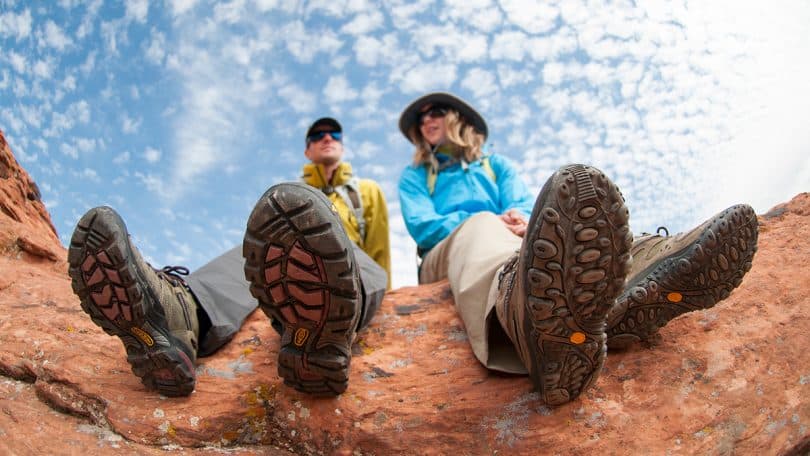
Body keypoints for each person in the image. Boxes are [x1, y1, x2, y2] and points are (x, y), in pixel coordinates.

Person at [397, 92, 758, 406]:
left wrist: (522, 220)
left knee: (557, 232)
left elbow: (521, 202)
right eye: (422, 116)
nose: (427, 119)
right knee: (482, 228)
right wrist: (489, 219)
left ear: (457, 119)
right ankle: (522, 313)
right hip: (448, 251)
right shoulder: (417, 175)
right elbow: (423, 225)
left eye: (436, 111)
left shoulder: (495, 165)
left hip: (513, 239)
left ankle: (638, 275)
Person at [67, 117, 390, 397]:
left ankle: (332, 325)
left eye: (333, 135)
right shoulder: (292, 194)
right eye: (317, 136)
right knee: (258, 255)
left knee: (359, 265)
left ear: (342, 145)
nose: (326, 139)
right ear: (307, 149)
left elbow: (378, 248)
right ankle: (178, 315)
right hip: (284, 250)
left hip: (351, 257)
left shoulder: (365, 191)